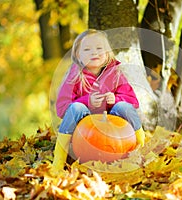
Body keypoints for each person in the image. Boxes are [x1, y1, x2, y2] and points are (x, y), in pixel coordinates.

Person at [53, 29, 145, 170]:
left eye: (99, 48)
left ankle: (141, 147)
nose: (94, 53)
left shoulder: (116, 74)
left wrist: (115, 99)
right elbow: (61, 109)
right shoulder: (74, 77)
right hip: (83, 131)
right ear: (78, 55)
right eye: (87, 49)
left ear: (107, 52)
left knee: (124, 107)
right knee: (76, 108)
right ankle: (59, 160)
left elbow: (133, 101)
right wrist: (86, 101)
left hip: (112, 128)